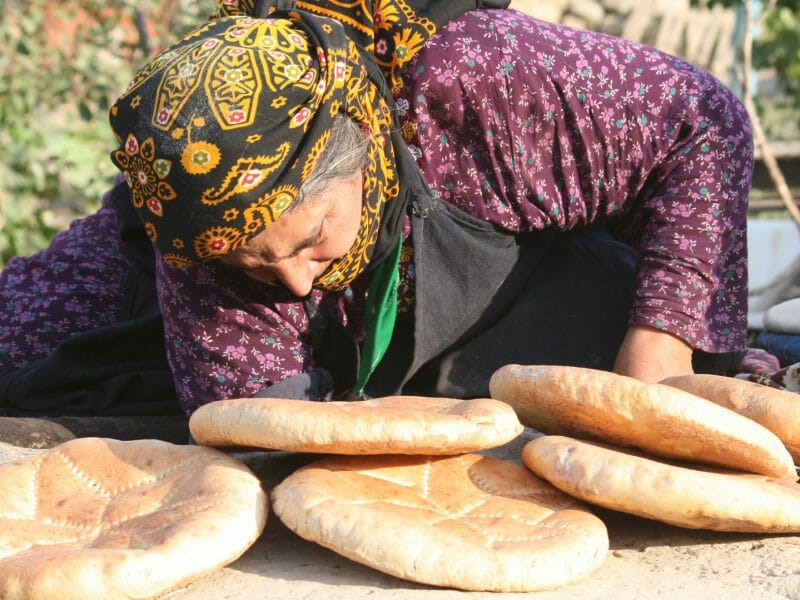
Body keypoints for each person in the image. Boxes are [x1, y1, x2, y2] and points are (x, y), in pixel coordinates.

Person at [0, 0, 753, 417]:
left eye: (312, 239)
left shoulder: (476, 83)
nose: (297, 284)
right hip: (143, 273)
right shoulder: (203, 244)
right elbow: (265, 421)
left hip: (530, 274)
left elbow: (702, 120)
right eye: (255, 264)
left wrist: (661, 349)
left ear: (359, 144)